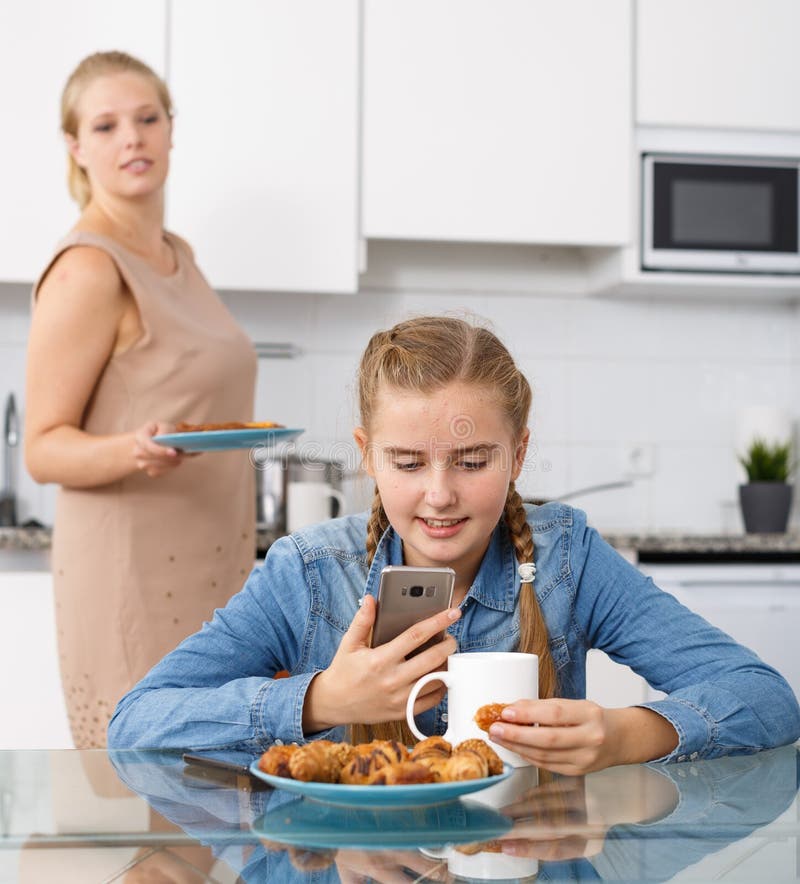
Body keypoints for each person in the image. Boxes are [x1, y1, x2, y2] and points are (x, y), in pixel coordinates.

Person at [108, 316, 800, 772]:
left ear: (518, 454)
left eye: (472, 462)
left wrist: (624, 734)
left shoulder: (566, 557)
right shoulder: (310, 571)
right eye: (408, 463)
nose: (439, 494)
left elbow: (764, 696)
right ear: (367, 456)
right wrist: (321, 701)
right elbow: (134, 723)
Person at [24, 51, 257, 748]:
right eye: (106, 125)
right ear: (77, 148)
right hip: (129, 578)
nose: (132, 138)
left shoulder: (178, 254)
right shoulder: (90, 267)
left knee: (203, 815)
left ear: (170, 131)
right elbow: (42, 446)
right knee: (148, 811)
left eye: (147, 118)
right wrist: (135, 447)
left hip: (214, 572)